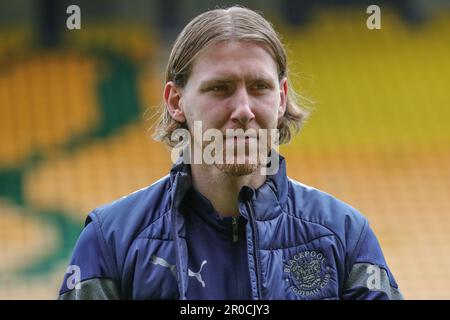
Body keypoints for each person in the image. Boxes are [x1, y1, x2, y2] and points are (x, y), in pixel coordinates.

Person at [58, 6, 403, 300]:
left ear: (281, 98)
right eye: (219, 88)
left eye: (259, 88)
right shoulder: (112, 238)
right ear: (176, 102)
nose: (243, 109)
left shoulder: (343, 235)